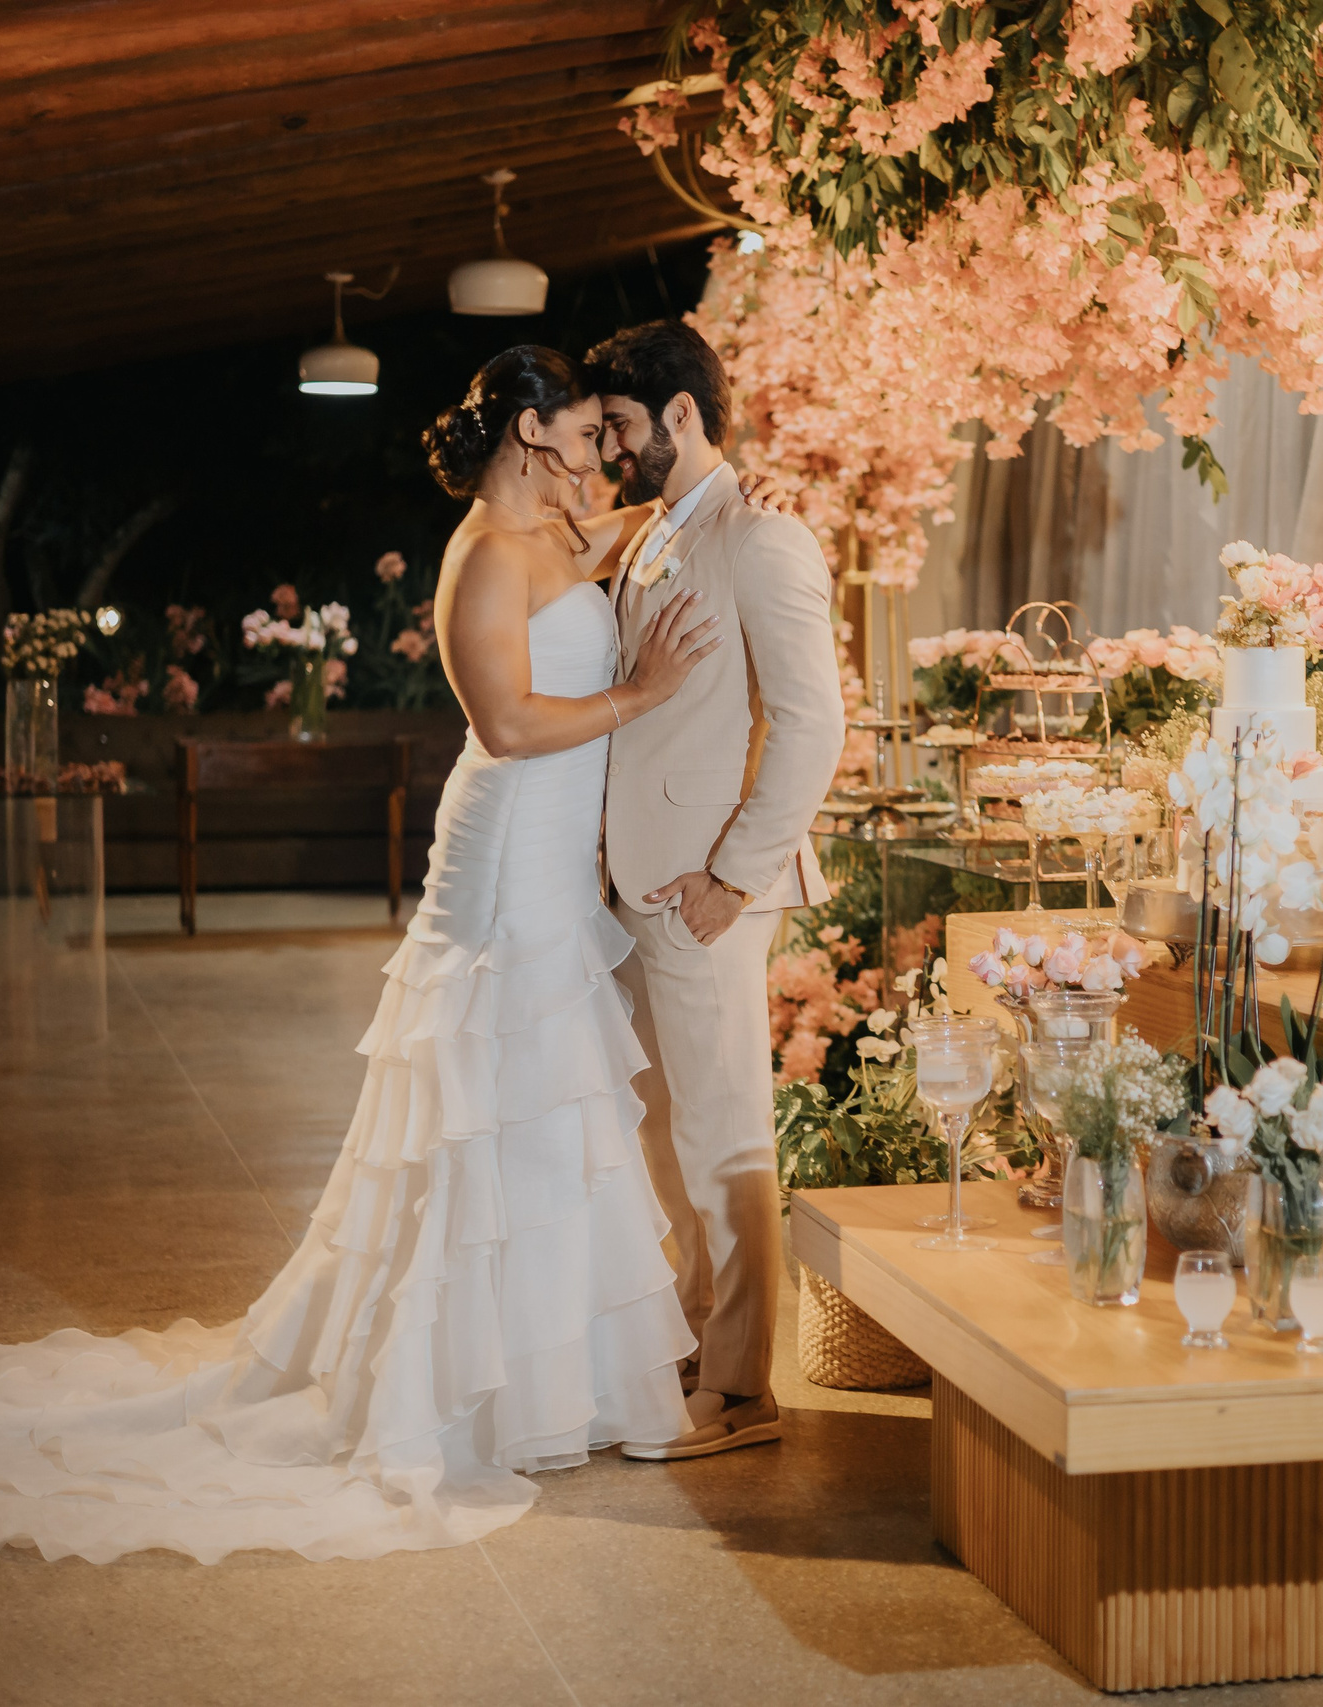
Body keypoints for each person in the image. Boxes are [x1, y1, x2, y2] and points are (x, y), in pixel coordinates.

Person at [0, 346, 782, 1563]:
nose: (604, 456)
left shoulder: (553, 533)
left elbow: (637, 527)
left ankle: (554, 1378)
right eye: (588, 434)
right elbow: (506, 722)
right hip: (506, 850)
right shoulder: (485, 553)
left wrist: (723, 492)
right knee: (493, 1095)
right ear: (531, 434)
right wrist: (643, 693)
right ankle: (465, 1384)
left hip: (552, 853)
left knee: (543, 1105)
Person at [583, 321, 843, 1461]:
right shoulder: (649, 535)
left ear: (680, 413)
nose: (610, 449)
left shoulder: (763, 538)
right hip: (639, 883)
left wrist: (734, 878)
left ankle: (740, 1387)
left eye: (620, 426)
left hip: (707, 889)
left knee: (725, 1126)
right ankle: (693, 1342)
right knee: (666, 1131)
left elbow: (812, 723)